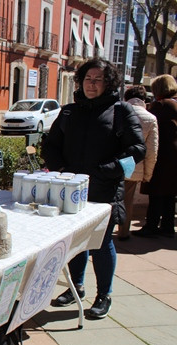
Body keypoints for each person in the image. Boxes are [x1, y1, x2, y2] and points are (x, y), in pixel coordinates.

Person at [41, 58, 145, 319]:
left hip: (104, 191)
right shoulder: (69, 112)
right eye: (88, 79)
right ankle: (76, 287)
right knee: (76, 242)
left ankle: (104, 294)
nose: (92, 84)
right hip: (72, 190)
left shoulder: (121, 111)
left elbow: (136, 151)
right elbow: (51, 145)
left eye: (98, 80)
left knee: (101, 243)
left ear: (108, 83)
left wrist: (105, 170)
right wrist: (62, 170)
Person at [132, 74, 177, 239]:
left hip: (162, 156)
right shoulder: (174, 104)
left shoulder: (160, 106)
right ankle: (167, 226)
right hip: (173, 156)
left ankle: (151, 225)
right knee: (170, 194)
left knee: (157, 192)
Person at [117, 85, 158, 240]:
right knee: (127, 201)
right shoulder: (150, 118)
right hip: (134, 166)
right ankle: (123, 232)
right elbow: (152, 150)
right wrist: (148, 174)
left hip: (114, 163)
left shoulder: (117, 112)